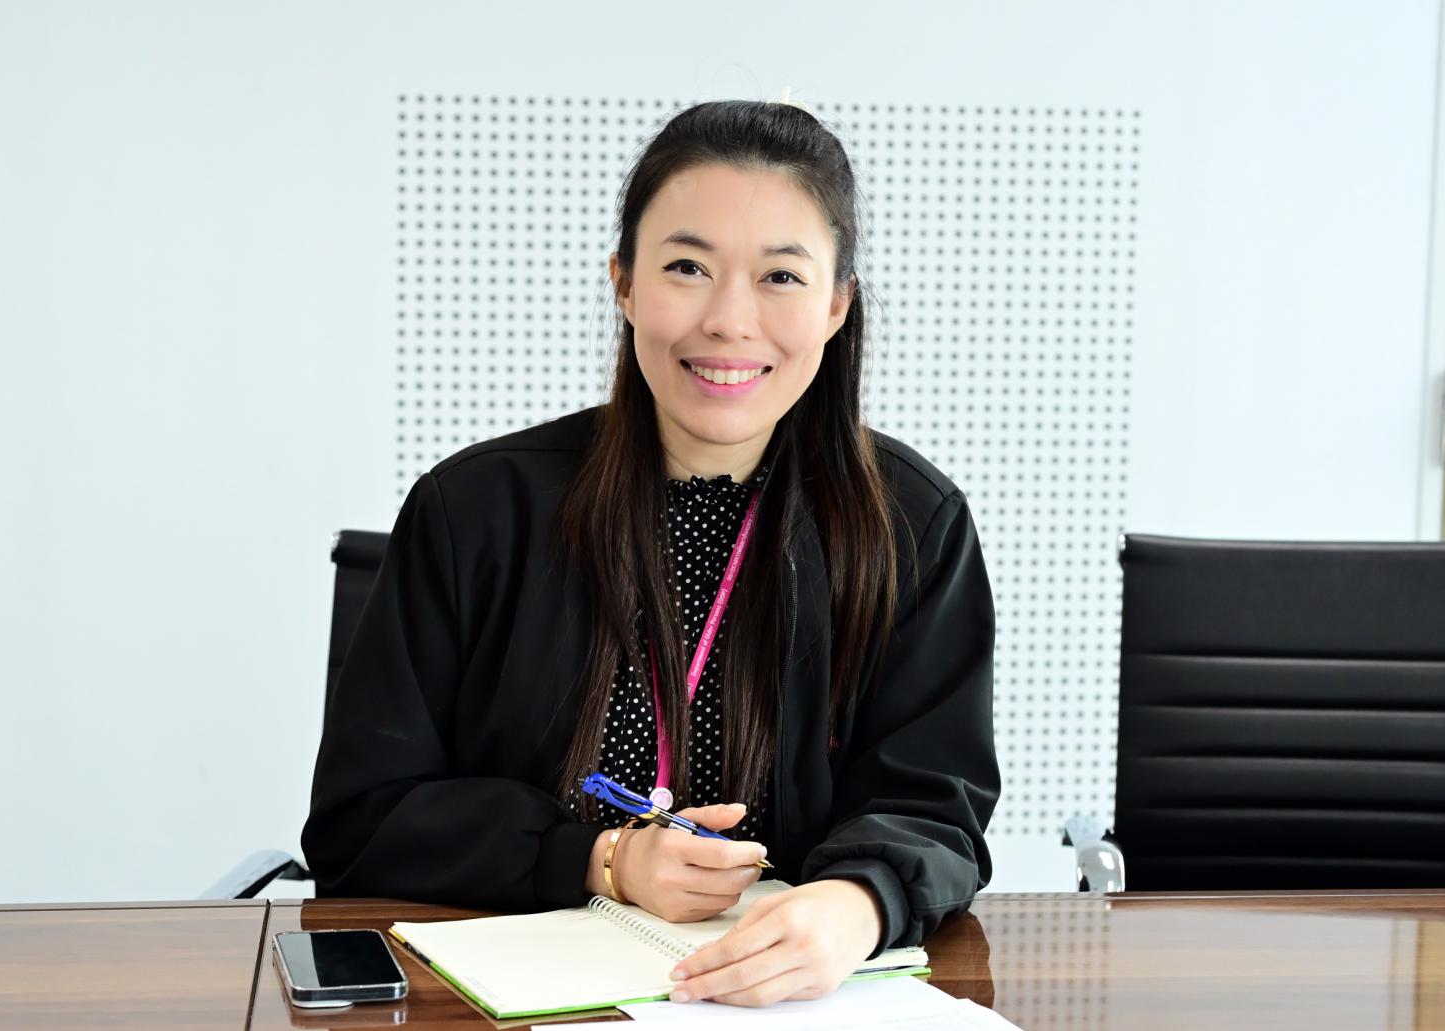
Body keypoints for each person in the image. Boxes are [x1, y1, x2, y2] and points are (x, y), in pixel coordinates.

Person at [302, 98, 999, 1008]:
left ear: (836, 306)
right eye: (687, 267)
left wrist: (858, 903)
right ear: (624, 283)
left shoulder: (910, 523)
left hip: (785, 1004)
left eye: (780, 277)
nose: (730, 321)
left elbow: (935, 805)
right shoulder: (474, 509)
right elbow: (361, 818)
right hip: (511, 1002)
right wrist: (601, 858)